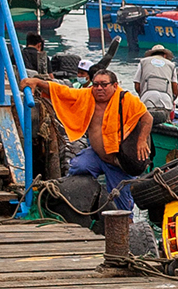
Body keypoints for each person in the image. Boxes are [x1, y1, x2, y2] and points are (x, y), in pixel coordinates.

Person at [21, 68, 152, 211]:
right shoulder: (87, 96)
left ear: (114, 85)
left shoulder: (126, 99)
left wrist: (142, 140)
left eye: (104, 84)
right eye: (95, 84)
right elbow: (63, 92)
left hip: (117, 159)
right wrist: (38, 82)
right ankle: (78, 203)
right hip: (96, 154)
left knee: (121, 199)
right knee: (77, 166)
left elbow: (147, 117)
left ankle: (127, 224)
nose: (99, 88)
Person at [134, 45, 178, 123]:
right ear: (165, 55)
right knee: (166, 122)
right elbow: (175, 86)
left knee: (145, 123)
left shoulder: (143, 62)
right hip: (166, 99)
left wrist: (142, 95)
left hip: (147, 97)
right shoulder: (171, 65)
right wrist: (172, 99)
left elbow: (137, 85)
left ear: (151, 54)